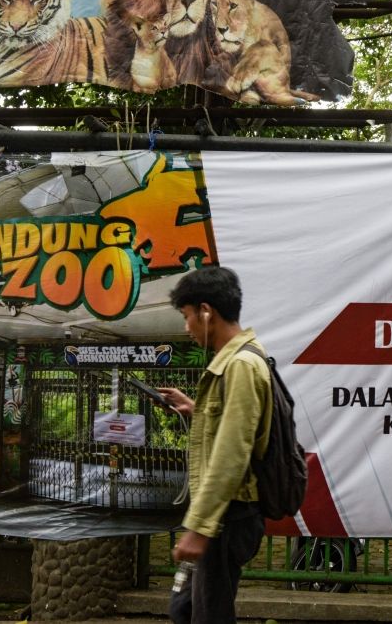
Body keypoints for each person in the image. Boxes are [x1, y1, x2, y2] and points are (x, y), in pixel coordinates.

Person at [158, 267, 272, 624]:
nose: (186, 327)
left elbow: (232, 453)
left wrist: (199, 527)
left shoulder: (240, 365)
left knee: (208, 615)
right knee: (186, 609)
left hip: (227, 516)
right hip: (223, 514)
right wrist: (197, 410)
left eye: (187, 316)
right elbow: (233, 428)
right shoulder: (237, 361)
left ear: (206, 311)